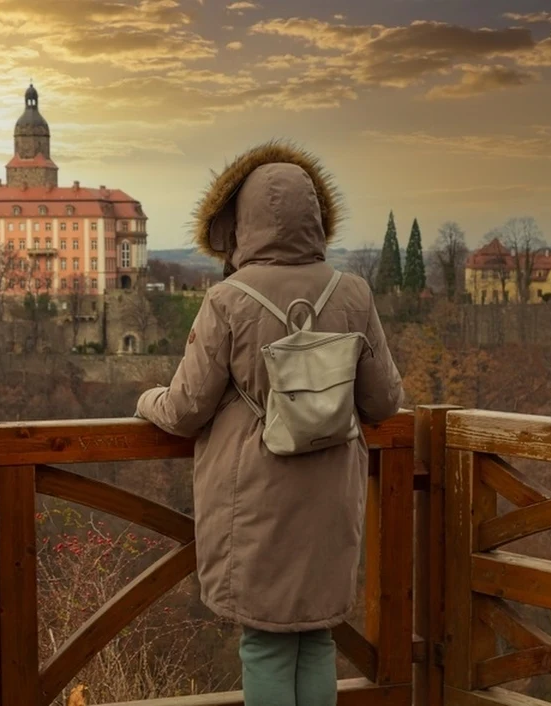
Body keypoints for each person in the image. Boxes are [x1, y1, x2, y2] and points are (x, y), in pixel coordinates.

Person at [135, 141, 405, 706]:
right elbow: (383, 403)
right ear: (316, 217)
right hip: (332, 490)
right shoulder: (352, 293)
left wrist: (147, 400)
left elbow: (185, 410)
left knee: (264, 642)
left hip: (257, 493)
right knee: (316, 637)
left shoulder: (228, 299)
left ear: (239, 223)